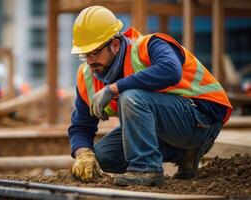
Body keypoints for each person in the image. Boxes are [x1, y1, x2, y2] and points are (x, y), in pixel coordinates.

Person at [68, 6, 232, 186]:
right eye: (85, 55)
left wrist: (114, 88)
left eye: (95, 53)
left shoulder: (149, 45)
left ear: (115, 45)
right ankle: (185, 153)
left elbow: (171, 70)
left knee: (130, 96)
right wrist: (83, 153)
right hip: (169, 127)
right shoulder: (87, 77)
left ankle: (145, 169)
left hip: (202, 118)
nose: (90, 61)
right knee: (103, 156)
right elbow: (81, 126)